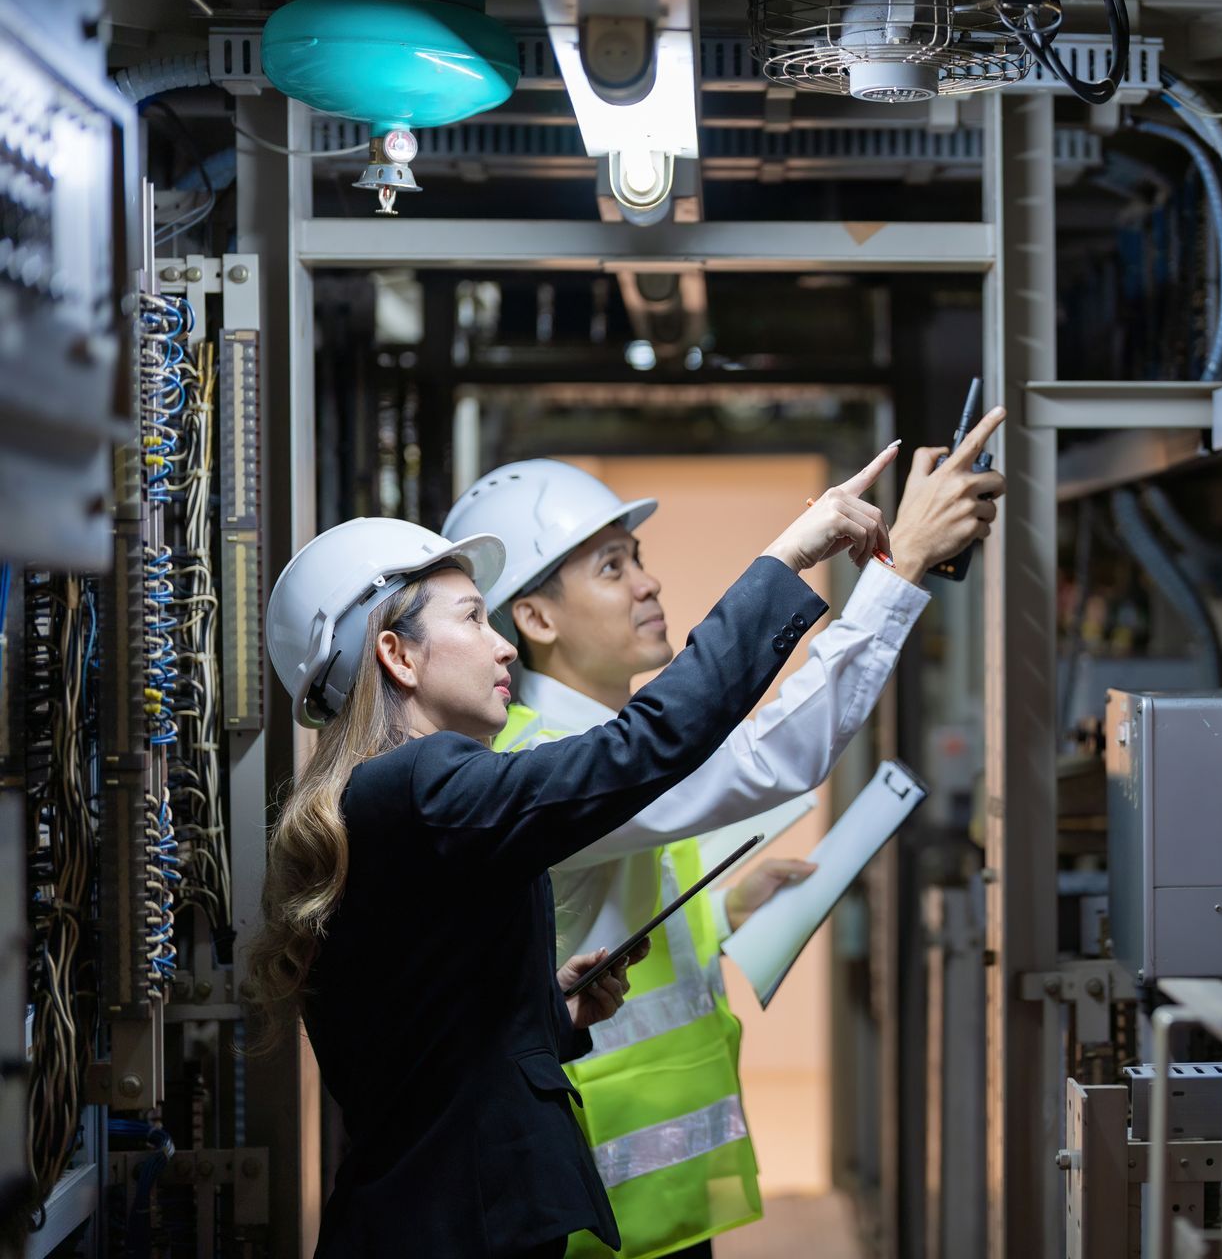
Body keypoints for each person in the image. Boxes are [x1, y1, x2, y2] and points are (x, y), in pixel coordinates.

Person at [244, 455, 893, 1259]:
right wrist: (790, 557)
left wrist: (549, 1010)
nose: (503, 646)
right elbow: (643, 747)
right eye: (476, 619)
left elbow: (424, 1045)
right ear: (398, 656)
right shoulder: (423, 783)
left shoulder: (385, 801)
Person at [439, 411, 1005, 1259]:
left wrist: (726, 907)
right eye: (610, 566)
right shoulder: (540, 768)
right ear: (537, 619)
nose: (647, 584)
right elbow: (761, 755)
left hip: (643, 1205)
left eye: (638, 559)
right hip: (584, 1215)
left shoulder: (582, 752)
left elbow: (601, 918)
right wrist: (902, 566)